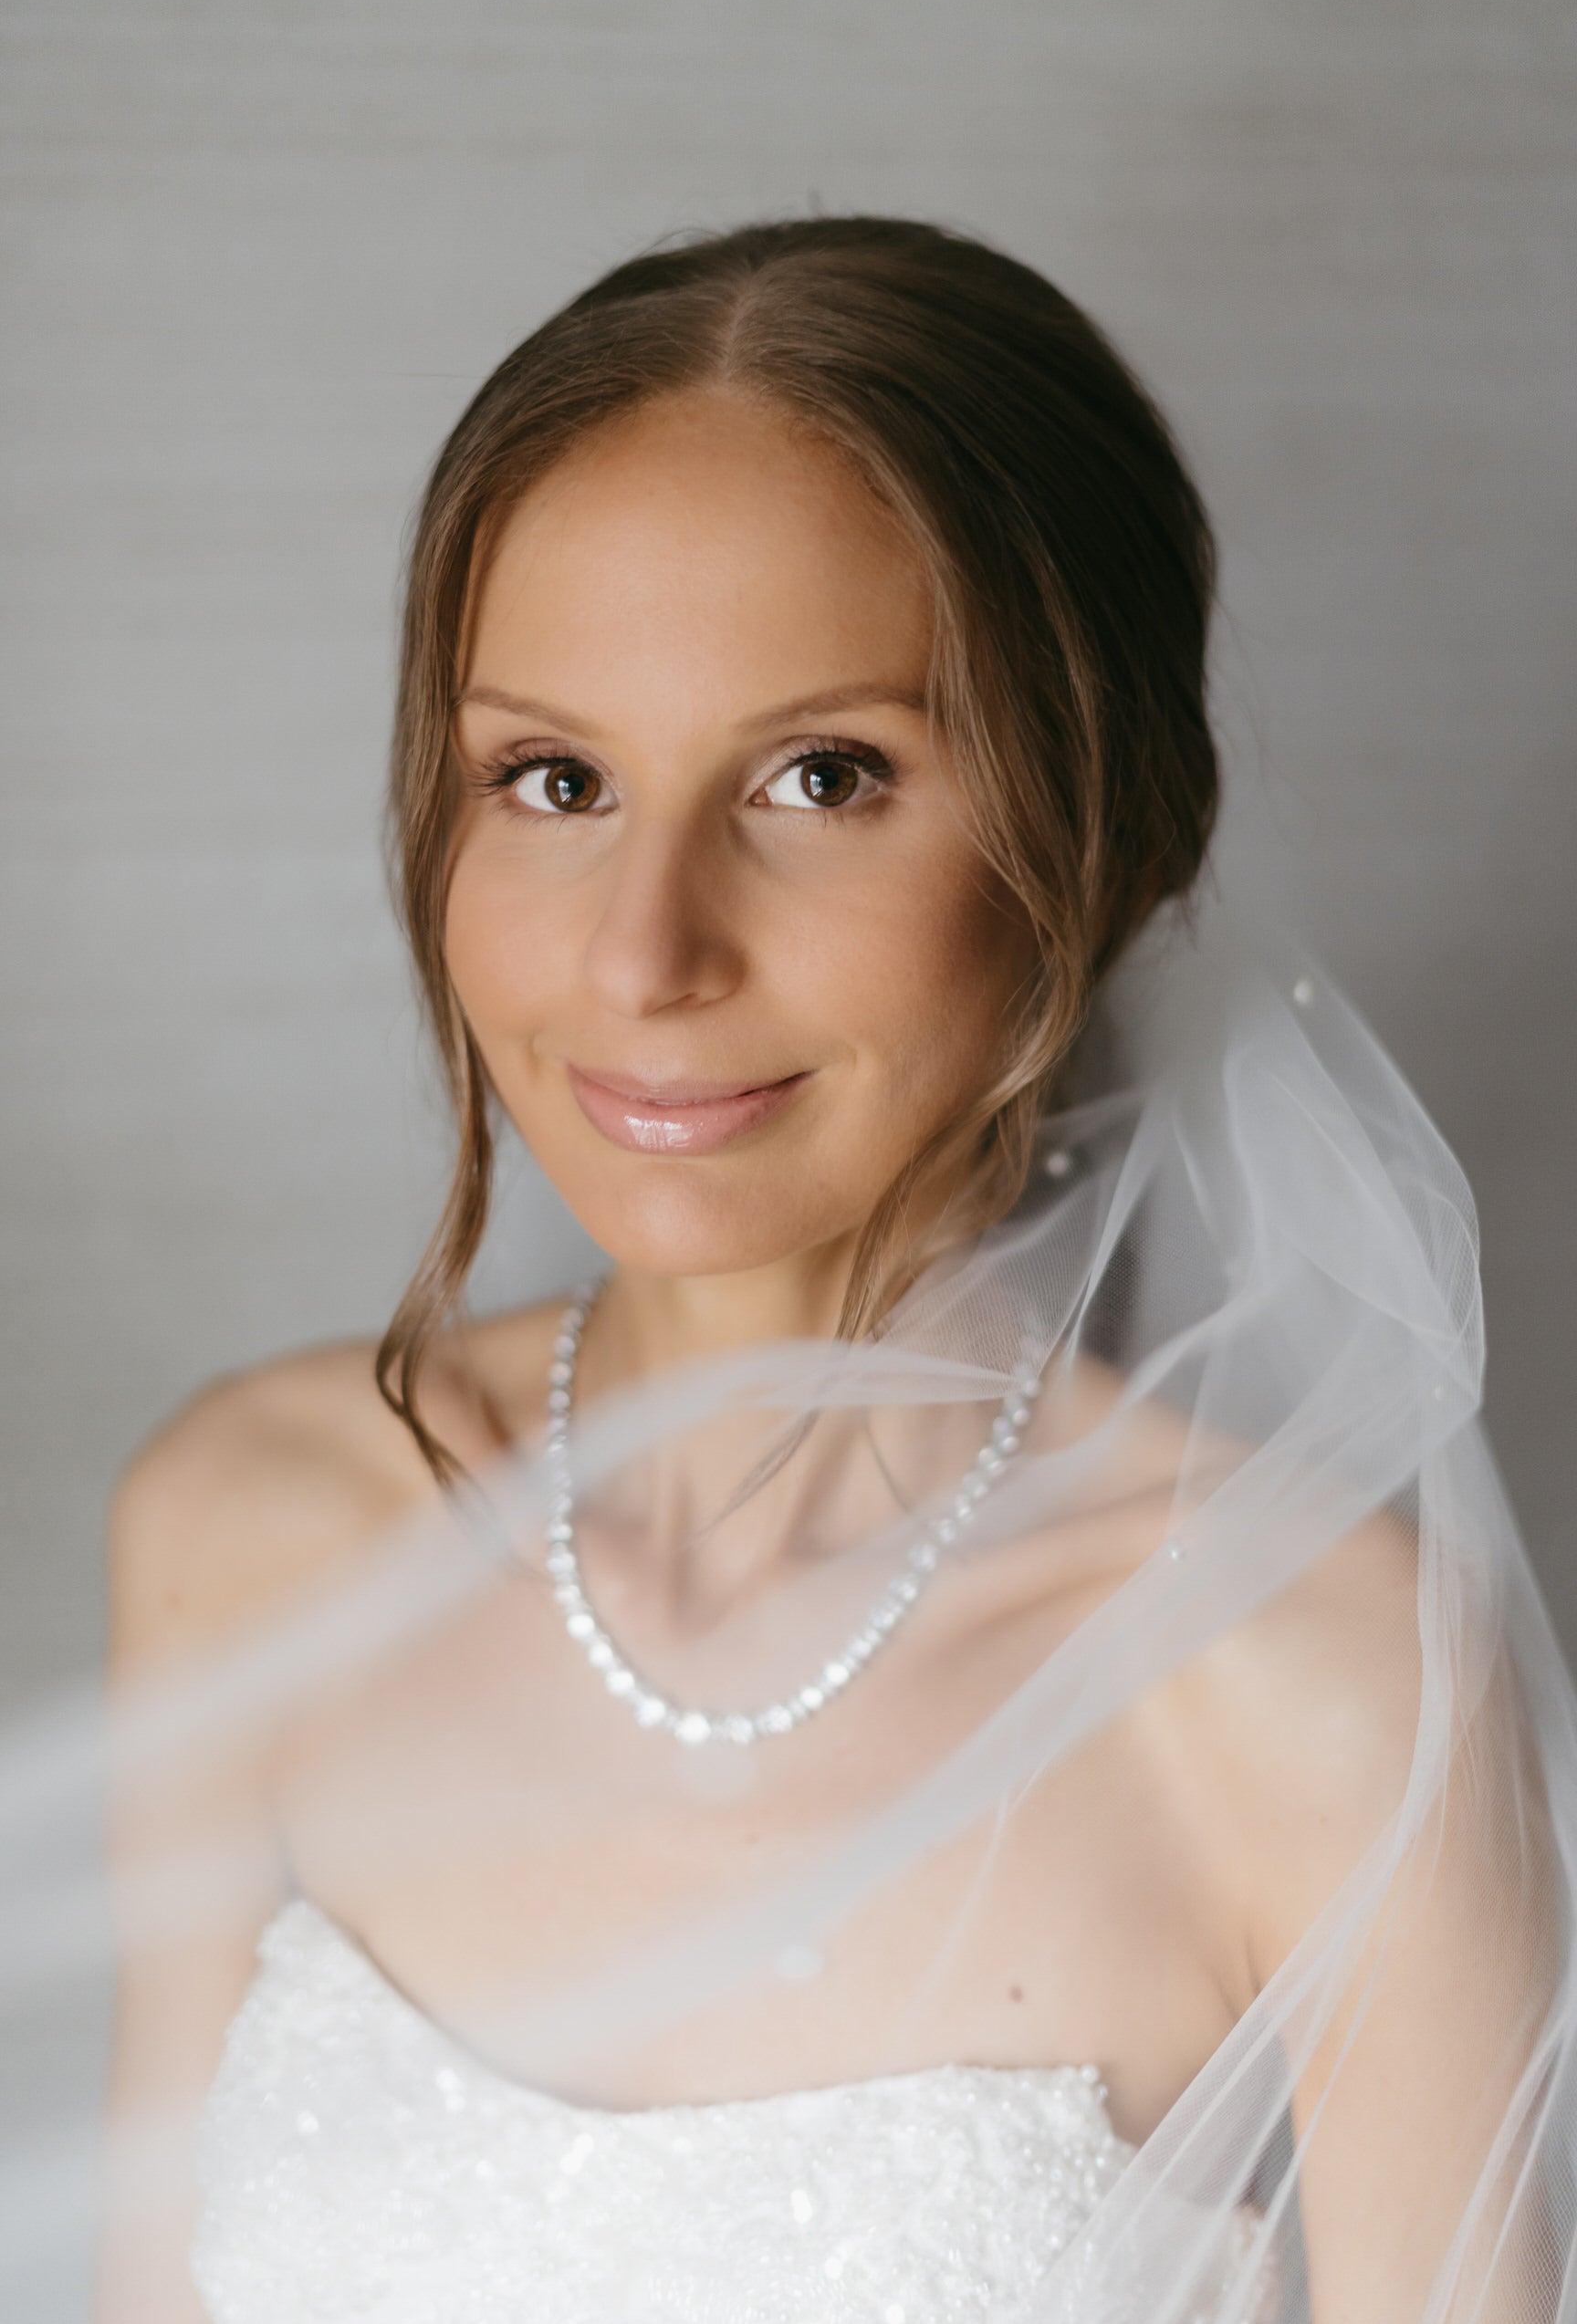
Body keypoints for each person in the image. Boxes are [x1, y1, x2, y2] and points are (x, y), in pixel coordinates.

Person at [92, 217, 1567, 2323]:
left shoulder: (1312, 1684)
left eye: (823, 777)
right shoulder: (250, 1531)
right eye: (555, 779)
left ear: (1109, 827)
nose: (644, 953)